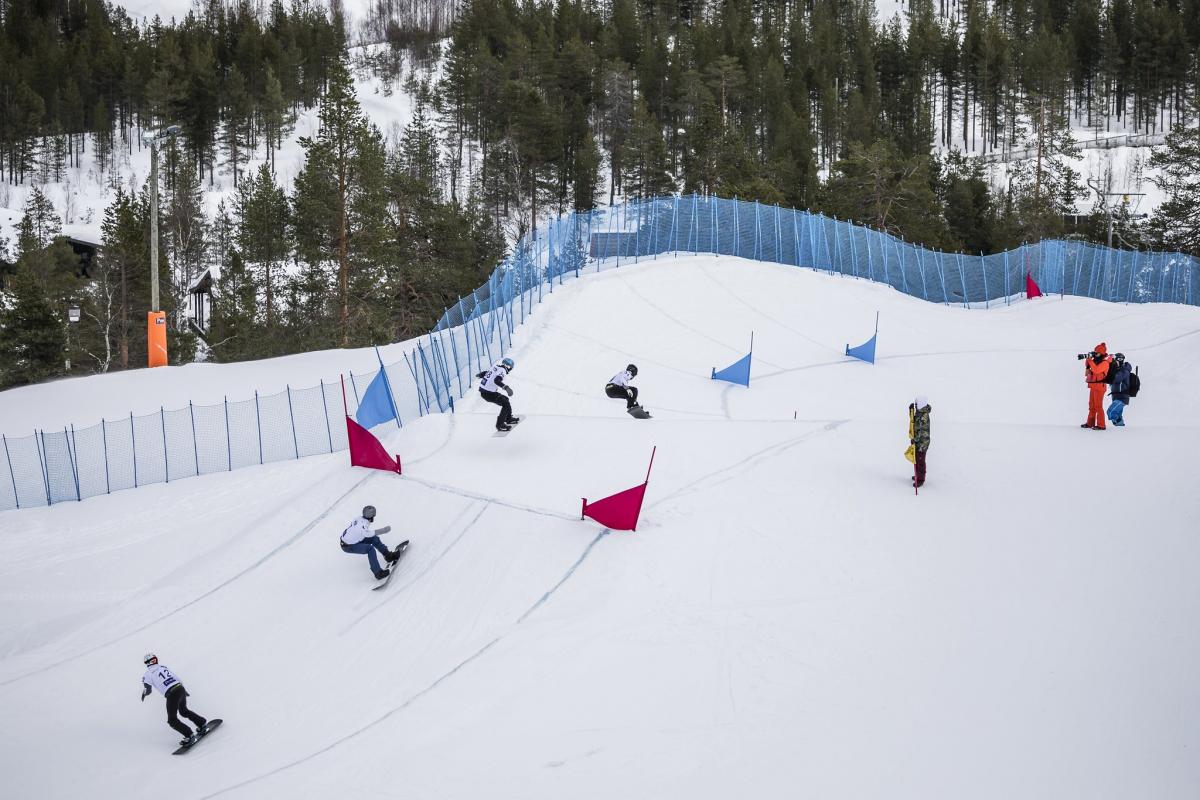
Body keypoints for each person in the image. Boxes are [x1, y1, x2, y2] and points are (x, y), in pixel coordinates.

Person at [140, 653, 210, 746]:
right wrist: (184, 691)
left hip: (171, 693)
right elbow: (176, 677)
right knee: (184, 711)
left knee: (172, 720)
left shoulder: (147, 675)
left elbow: (148, 690)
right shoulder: (163, 667)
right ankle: (202, 724)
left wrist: (144, 693)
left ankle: (189, 735)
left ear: (147, 663)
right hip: (180, 688)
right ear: (154, 660)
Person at [340, 505, 404, 581]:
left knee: (374, 539)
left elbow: (364, 533)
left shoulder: (359, 518)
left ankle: (388, 556)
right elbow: (367, 534)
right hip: (348, 546)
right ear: (372, 516)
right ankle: (378, 573)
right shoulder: (363, 525)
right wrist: (384, 530)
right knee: (370, 549)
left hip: (353, 540)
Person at [476, 357, 519, 432]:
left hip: (486, 391)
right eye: (511, 368)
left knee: (505, 399)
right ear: (509, 367)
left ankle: (508, 418)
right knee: (505, 403)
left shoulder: (495, 367)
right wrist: (506, 388)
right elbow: (496, 380)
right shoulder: (503, 370)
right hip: (488, 393)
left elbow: (487, 372)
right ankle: (500, 425)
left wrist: (480, 374)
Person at [1082, 343, 1111, 430]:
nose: (1095, 354)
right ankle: (1090, 423)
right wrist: (1088, 360)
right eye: (1094, 352)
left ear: (1101, 353)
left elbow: (1096, 370)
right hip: (1093, 386)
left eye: (1097, 352)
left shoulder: (1105, 362)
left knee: (1098, 406)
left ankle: (1101, 425)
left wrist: (1090, 361)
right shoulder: (1096, 361)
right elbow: (1088, 370)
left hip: (1100, 387)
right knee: (1091, 406)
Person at [909, 396, 932, 488]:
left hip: (922, 442)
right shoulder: (919, 413)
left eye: (917, 404)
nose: (916, 405)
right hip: (918, 441)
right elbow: (913, 422)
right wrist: (910, 412)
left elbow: (921, 431)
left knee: (920, 460)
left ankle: (921, 479)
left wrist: (915, 440)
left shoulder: (924, 416)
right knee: (917, 459)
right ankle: (917, 474)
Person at [1107, 352, 1132, 427]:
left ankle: (1118, 424)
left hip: (1122, 397)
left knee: (1110, 412)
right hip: (1115, 396)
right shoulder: (1117, 369)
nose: (1119, 360)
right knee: (1118, 415)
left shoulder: (1125, 370)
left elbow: (1116, 378)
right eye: (1117, 359)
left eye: (1121, 359)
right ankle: (1120, 429)